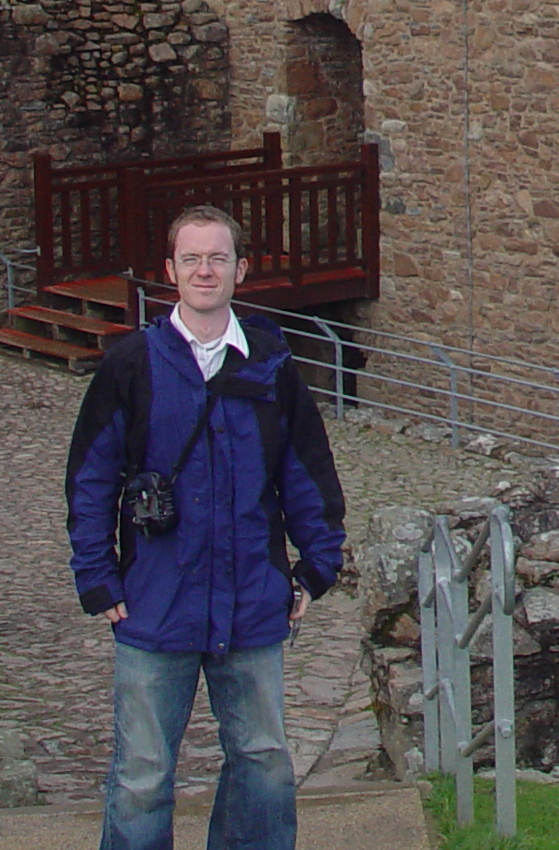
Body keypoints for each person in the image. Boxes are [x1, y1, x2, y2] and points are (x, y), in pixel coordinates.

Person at [66, 205, 347, 850]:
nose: (204, 270)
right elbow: (91, 478)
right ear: (169, 271)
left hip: (251, 598)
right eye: (191, 258)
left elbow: (307, 473)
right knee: (142, 774)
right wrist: (97, 575)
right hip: (154, 599)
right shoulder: (131, 365)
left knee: (265, 764)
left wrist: (315, 569)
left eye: (218, 258)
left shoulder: (272, 366)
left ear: (240, 270)